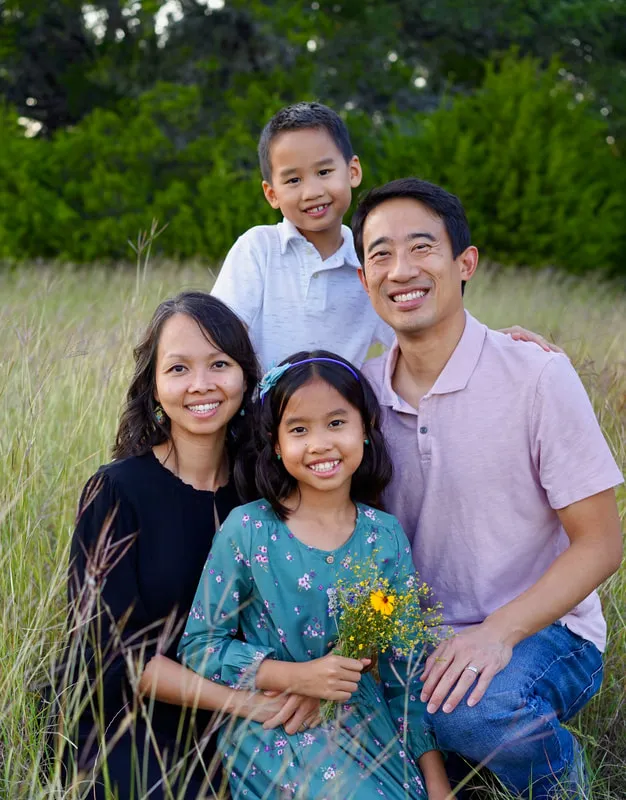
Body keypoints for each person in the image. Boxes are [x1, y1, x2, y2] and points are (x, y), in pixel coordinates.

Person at [350, 178, 624, 799]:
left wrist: (497, 632)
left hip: (543, 632)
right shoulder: (356, 398)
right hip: (411, 636)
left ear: (464, 262)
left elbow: (602, 544)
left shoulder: (536, 376)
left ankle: (560, 780)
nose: (401, 271)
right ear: (365, 281)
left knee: (469, 710)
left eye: (422, 248)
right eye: (380, 255)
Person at [59, 292, 319, 799]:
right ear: (154, 387)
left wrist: (301, 689)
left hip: (255, 709)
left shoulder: (267, 492)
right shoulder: (117, 491)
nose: (200, 385)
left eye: (219, 364)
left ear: (245, 378)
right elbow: (117, 658)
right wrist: (245, 705)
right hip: (132, 721)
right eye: (178, 368)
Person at [178, 352, 452, 800]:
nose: (320, 443)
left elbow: (405, 674)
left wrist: (437, 785)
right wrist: (292, 675)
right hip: (274, 722)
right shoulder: (249, 530)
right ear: (276, 443)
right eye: (299, 429)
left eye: (337, 423)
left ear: (365, 428)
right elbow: (200, 647)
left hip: (365, 721)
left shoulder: (384, 537)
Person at [211, 101, 553, 371]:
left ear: (353, 171)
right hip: (258, 426)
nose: (312, 191)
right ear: (271, 194)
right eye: (293, 180)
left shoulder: (373, 268)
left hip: (334, 431)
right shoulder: (258, 248)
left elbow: (429, 336)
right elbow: (218, 336)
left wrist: (496, 341)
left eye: (324, 171)